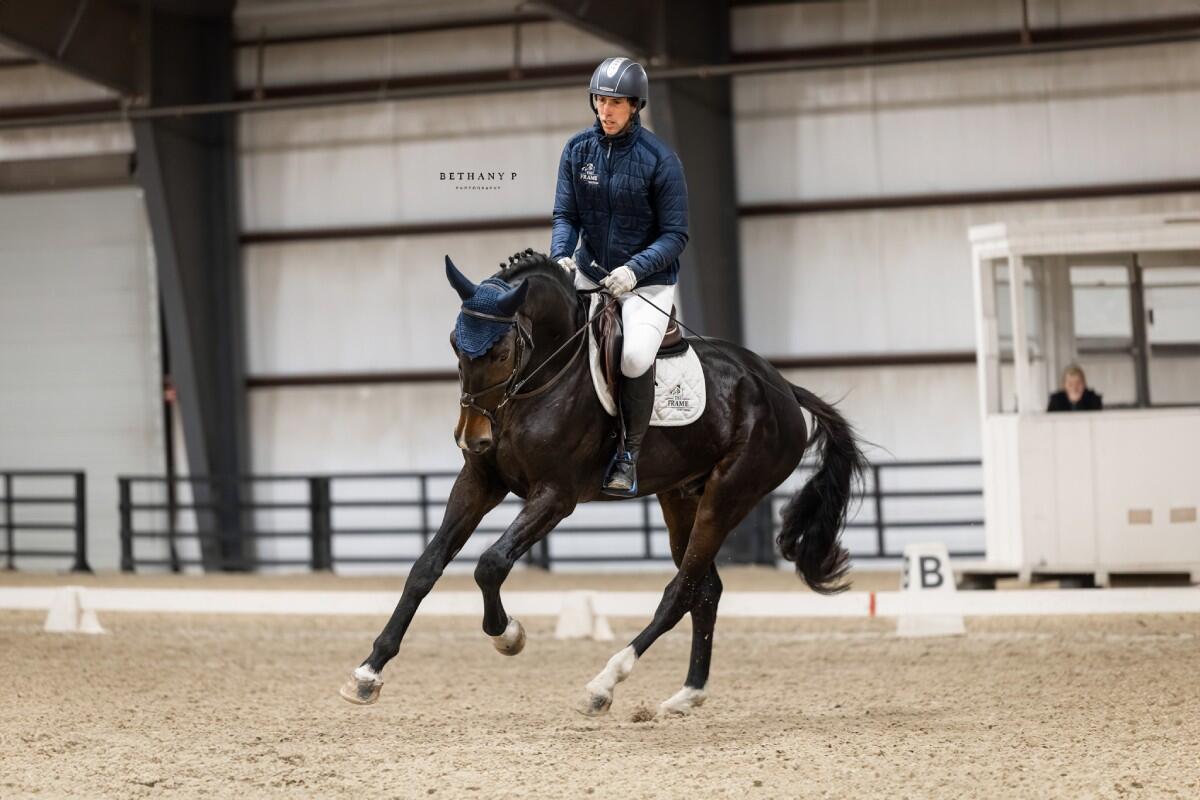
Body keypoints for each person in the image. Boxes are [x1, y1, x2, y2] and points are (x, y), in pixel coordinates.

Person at [550, 56, 689, 496]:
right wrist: (561, 256)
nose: (605, 110)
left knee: (633, 357)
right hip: (590, 271)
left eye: (615, 102)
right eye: (600, 100)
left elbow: (675, 234)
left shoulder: (661, 161)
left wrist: (635, 270)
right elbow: (565, 214)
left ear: (635, 105)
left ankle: (628, 455)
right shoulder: (577, 151)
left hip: (647, 282)